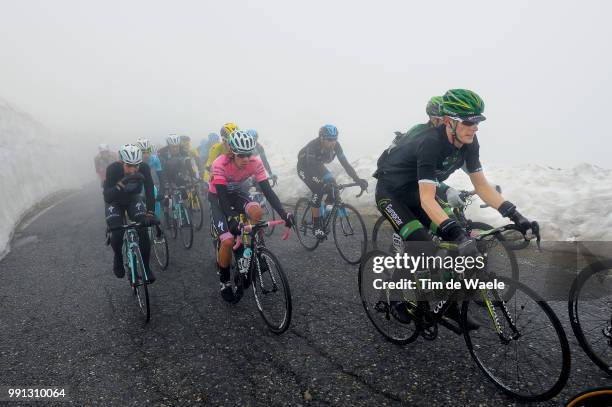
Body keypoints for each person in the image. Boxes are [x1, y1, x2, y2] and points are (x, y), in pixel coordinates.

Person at [373, 88, 534, 327]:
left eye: (478, 121)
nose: (476, 127)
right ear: (449, 121)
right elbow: (428, 199)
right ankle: (398, 297)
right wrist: (455, 232)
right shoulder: (430, 142)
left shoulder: (469, 142)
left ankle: (448, 304)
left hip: (417, 191)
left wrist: (515, 214)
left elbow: (481, 186)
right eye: (470, 121)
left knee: (455, 246)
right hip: (392, 192)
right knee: (421, 243)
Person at [207, 130, 293, 301]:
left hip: (238, 193)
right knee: (227, 241)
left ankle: (254, 248)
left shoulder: (255, 162)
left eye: (249, 154)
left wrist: (284, 213)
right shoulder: (220, 163)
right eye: (241, 155)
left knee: (257, 212)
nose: (246, 159)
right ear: (231, 152)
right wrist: (231, 218)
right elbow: (223, 197)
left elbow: (268, 191)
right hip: (218, 197)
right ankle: (225, 281)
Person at [296, 124, 368, 239]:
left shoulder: (336, 146)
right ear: (322, 138)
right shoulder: (313, 146)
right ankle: (316, 225)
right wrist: (320, 182)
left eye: (335, 139)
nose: (333, 142)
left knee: (333, 186)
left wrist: (357, 179)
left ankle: (325, 214)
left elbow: (346, 164)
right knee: (318, 189)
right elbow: (311, 167)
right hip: (305, 168)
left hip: (318, 165)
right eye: (330, 139)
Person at [103, 144, 156, 283]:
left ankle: (146, 268)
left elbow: (150, 189)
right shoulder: (113, 169)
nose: (133, 169)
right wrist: (122, 182)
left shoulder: (144, 168)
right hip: (114, 202)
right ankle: (118, 257)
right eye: (128, 165)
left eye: (136, 165)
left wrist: (150, 212)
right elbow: (107, 197)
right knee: (118, 232)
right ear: (121, 162)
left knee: (143, 228)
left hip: (133, 199)